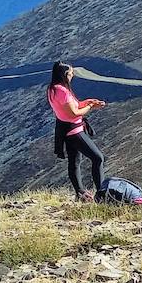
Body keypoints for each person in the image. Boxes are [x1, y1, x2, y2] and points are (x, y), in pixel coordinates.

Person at [47, 62, 106, 201]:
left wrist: (87, 102)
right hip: (75, 131)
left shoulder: (52, 89)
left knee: (74, 162)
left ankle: (80, 193)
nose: (72, 75)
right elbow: (74, 113)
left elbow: (71, 106)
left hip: (65, 130)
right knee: (98, 158)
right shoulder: (62, 91)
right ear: (64, 75)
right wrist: (90, 106)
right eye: (70, 73)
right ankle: (101, 193)